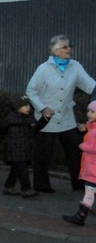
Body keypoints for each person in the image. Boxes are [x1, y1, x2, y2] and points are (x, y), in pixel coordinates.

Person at [26, 35, 96, 193]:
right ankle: (41, 185)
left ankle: (79, 183)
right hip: (46, 118)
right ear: (55, 51)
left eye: (69, 46)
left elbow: (89, 84)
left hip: (66, 117)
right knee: (43, 154)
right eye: (64, 47)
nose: (69, 49)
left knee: (75, 151)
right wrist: (42, 108)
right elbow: (31, 90)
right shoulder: (43, 68)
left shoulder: (75, 66)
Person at [63, 101, 96, 225]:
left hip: (93, 170)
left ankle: (80, 216)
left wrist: (83, 146)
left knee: (89, 191)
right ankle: (80, 215)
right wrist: (86, 127)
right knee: (90, 191)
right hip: (92, 168)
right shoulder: (93, 127)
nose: (89, 114)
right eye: (88, 111)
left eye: (92, 112)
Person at [1, 95, 38, 198]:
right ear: (18, 107)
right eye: (25, 105)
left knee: (16, 169)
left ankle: (9, 186)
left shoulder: (29, 118)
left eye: (29, 105)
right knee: (22, 169)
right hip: (14, 148)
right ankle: (26, 189)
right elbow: (2, 129)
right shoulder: (11, 118)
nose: (28, 108)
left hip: (23, 147)